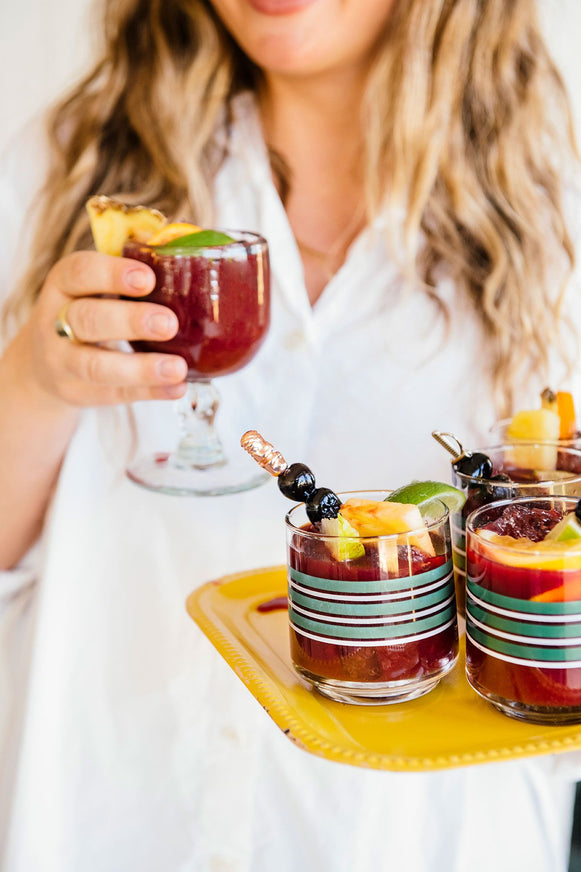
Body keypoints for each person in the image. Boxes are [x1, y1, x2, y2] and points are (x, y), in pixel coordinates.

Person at [1, 0, 580, 869]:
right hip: (113, 817)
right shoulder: (61, 169)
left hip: (415, 840)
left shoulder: (559, 212)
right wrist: (35, 381)